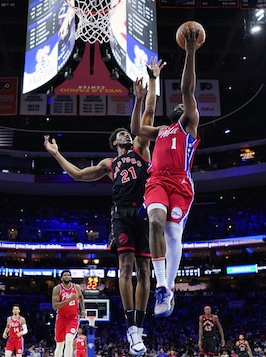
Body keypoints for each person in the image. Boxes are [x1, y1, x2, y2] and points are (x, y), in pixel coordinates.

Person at [44, 58, 165, 355]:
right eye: (122, 133)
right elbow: (77, 175)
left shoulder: (141, 148)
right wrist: (57, 154)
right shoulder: (109, 163)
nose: (127, 133)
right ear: (114, 142)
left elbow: (148, 111)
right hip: (121, 214)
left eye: (128, 131)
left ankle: (139, 325)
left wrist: (151, 82)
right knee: (125, 267)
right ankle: (130, 327)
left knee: (144, 270)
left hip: (143, 210)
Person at [130, 25, 202, 317]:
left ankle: (169, 288)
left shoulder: (190, 125)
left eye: (182, 106)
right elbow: (136, 128)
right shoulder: (160, 130)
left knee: (173, 234)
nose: (178, 106)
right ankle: (162, 286)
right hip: (157, 182)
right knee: (156, 223)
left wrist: (190, 52)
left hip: (182, 185)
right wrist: (140, 97)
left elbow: (186, 89)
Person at [51, 270, 86, 357]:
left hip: (73, 318)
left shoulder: (76, 287)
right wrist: (69, 300)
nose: (67, 276)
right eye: (65, 275)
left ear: (70, 277)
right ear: (62, 278)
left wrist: (83, 309)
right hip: (61, 318)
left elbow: (81, 297)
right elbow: (55, 306)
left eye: (68, 275)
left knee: (69, 340)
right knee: (59, 344)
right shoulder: (57, 289)